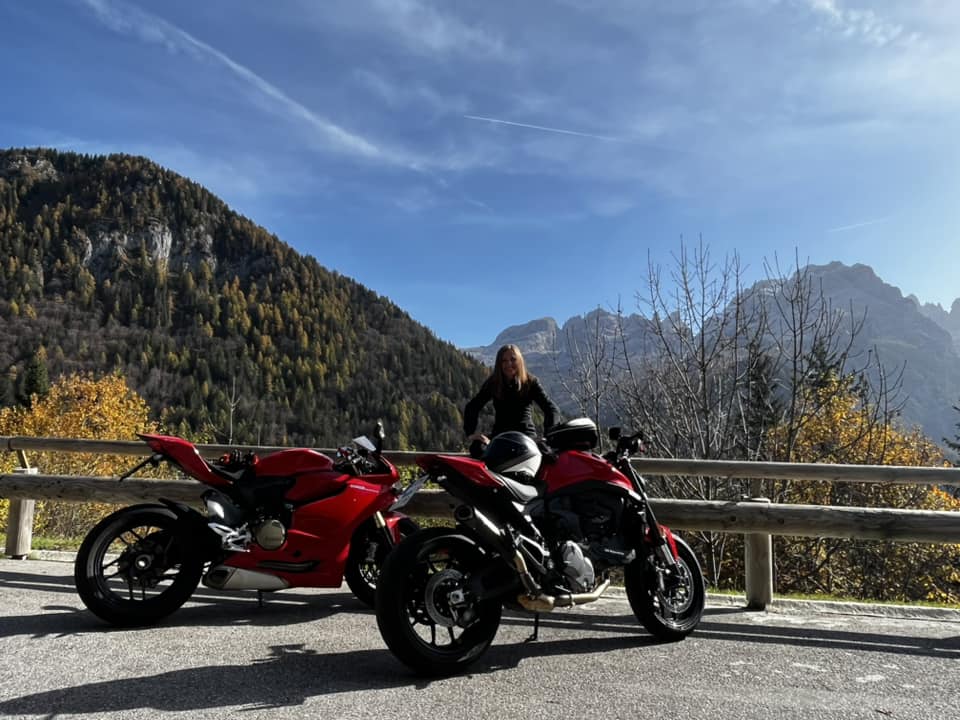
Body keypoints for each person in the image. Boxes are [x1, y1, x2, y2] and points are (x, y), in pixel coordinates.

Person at [463, 344, 560, 445]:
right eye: (504, 361)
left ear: (519, 361)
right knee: (477, 447)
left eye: (513, 359)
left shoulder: (530, 382)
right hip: (500, 437)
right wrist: (471, 433)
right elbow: (473, 406)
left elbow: (551, 409)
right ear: (499, 364)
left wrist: (549, 435)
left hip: (526, 437)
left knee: (544, 449)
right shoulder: (494, 383)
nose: (509, 364)